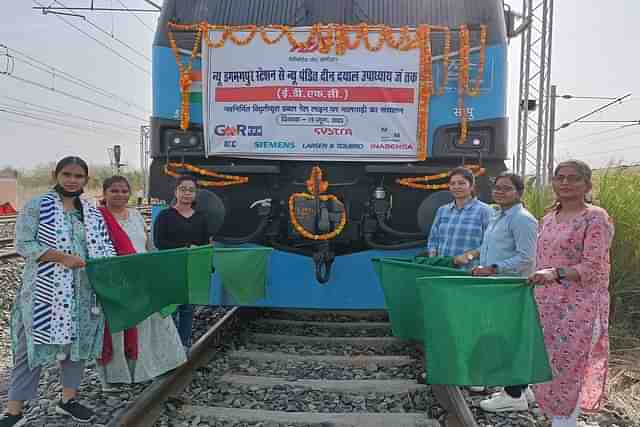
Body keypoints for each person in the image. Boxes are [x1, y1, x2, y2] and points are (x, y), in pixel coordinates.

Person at [1, 157, 116, 426]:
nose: (72, 180)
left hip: (84, 292)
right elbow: (24, 244)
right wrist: (59, 257)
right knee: (31, 348)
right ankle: (14, 410)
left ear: (86, 180)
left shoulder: (90, 211)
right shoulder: (37, 207)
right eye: (67, 174)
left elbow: (105, 245)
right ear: (56, 175)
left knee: (76, 347)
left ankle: (68, 400)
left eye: (78, 176)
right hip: (44, 292)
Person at [529, 160, 613, 427]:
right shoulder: (547, 218)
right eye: (560, 177)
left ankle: (565, 422)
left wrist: (555, 273)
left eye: (573, 178)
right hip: (547, 303)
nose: (565, 183)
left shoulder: (595, 217)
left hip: (581, 308)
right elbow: (540, 258)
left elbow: (592, 266)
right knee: (549, 363)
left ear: (587, 184)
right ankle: (556, 417)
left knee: (570, 366)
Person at [97, 176, 186, 391]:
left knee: (151, 321)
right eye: (114, 191)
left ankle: (151, 367)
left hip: (142, 277)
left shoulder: (136, 215)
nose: (119, 195)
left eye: (123, 191)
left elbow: (146, 244)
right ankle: (118, 376)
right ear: (105, 193)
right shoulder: (98, 217)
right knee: (119, 328)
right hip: (115, 280)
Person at [470, 172, 538, 412]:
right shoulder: (498, 215)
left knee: (508, 340)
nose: (499, 192)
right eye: (497, 188)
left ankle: (512, 394)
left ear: (519, 193)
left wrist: (494, 268)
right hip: (496, 286)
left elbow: (526, 258)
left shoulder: (522, 219)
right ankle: (522, 387)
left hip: (510, 287)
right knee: (505, 337)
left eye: (506, 188)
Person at [153, 175, 210, 352]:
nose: (187, 193)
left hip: (191, 269)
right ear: (176, 191)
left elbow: (205, 243)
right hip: (170, 269)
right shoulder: (165, 215)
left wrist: (206, 265)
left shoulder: (201, 217)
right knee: (171, 309)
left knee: (187, 308)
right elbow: (159, 242)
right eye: (183, 189)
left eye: (191, 190)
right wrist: (186, 247)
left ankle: (184, 344)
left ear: (195, 194)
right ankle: (169, 346)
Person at [426, 167, 494, 269]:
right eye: (452, 183)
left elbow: (490, 244)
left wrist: (468, 256)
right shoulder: (442, 210)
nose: (456, 187)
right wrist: (433, 261)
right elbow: (433, 240)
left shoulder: (485, 211)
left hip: (469, 273)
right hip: (442, 271)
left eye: (461, 183)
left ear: (471, 186)